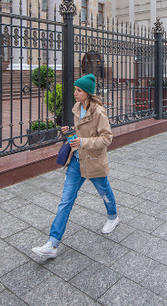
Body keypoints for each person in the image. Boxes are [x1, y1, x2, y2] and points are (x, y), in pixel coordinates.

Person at [32, 74, 119, 259]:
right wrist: (70, 132)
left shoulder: (98, 112)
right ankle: (52, 244)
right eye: (76, 89)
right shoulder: (77, 107)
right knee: (65, 201)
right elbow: (80, 133)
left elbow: (107, 138)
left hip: (94, 161)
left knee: (104, 192)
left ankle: (113, 217)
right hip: (76, 161)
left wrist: (82, 141)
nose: (75, 93)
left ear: (87, 93)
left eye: (79, 90)